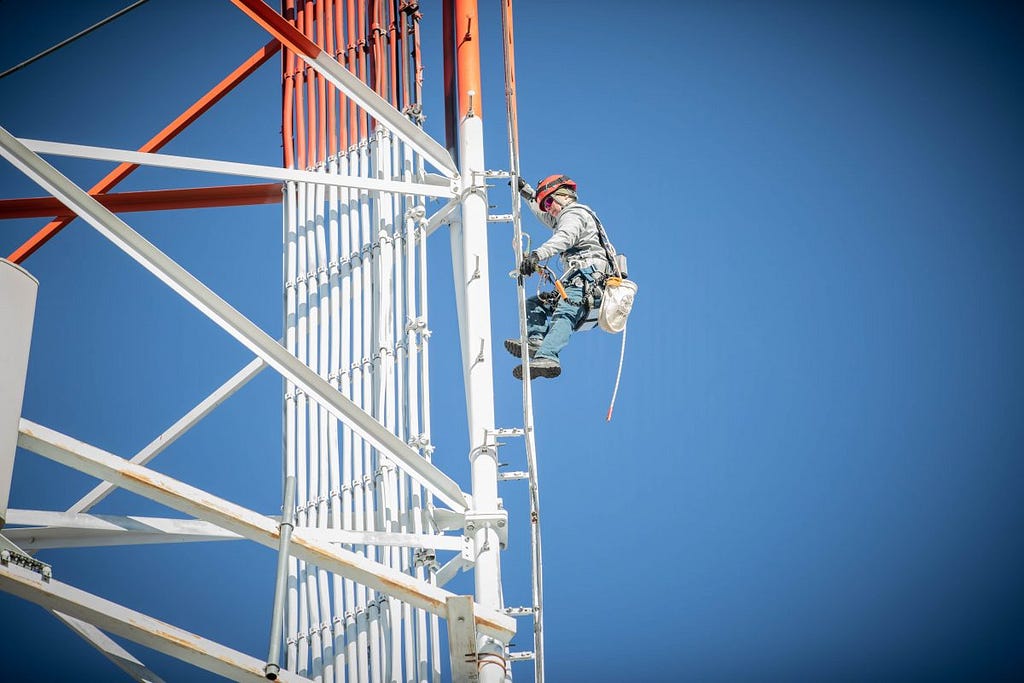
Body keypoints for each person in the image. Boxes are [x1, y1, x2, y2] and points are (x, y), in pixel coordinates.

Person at [508, 174, 613, 380]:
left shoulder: (574, 213)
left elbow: (564, 238)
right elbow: (543, 215)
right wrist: (527, 192)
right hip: (579, 279)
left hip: (586, 278)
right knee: (536, 304)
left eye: (549, 202)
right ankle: (537, 341)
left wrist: (537, 255)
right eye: (545, 205)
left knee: (564, 312)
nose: (548, 209)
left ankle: (548, 356)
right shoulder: (563, 214)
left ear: (564, 195)